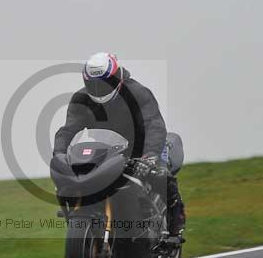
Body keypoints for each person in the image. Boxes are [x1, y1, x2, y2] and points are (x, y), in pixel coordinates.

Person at [53, 52, 185, 246]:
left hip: (144, 147)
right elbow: (68, 129)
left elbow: (154, 125)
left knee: (160, 175)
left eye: (106, 82)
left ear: (117, 77)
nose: (99, 89)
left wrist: (149, 156)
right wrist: (60, 153)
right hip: (109, 149)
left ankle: (176, 223)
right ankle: (82, 221)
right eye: (94, 84)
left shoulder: (138, 93)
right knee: (72, 180)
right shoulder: (81, 99)